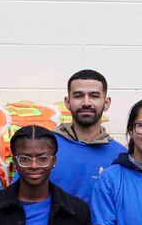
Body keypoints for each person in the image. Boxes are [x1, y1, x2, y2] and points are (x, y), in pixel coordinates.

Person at [50, 69, 125, 201]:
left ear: (106, 103)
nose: (86, 103)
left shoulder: (121, 156)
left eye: (94, 96)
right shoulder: (46, 146)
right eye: (78, 96)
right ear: (67, 103)